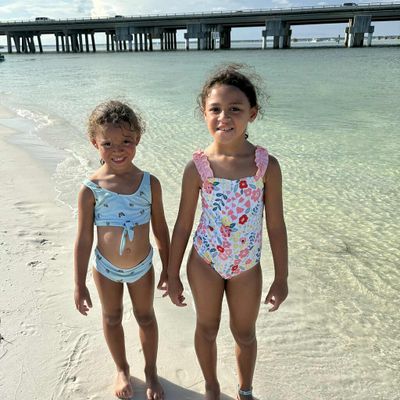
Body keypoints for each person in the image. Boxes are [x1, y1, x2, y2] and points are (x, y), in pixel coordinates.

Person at [167, 65, 288, 400]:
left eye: (235, 109)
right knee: (206, 328)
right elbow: (183, 224)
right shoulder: (197, 166)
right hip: (204, 260)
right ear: (204, 113)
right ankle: (211, 385)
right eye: (215, 109)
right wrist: (172, 274)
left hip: (246, 265)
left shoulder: (266, 166)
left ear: (252, 113)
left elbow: (276, 226)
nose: (225, 117)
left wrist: (281, 277)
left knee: (245, 334)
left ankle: (245, 391)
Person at [74, 100, 169, 400]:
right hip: (105, 269)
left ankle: (151, 371)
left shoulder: (149, 183)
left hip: (142, 267)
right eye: (108, 143)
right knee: (111, 317)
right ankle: (122, 368)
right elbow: (83, 239)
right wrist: (79, 283)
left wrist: (168, 269)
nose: (118, 149)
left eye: (126, 141)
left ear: (137, 138)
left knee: (146, 317)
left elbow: (160, 229)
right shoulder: (91, 189)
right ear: (95, 143)